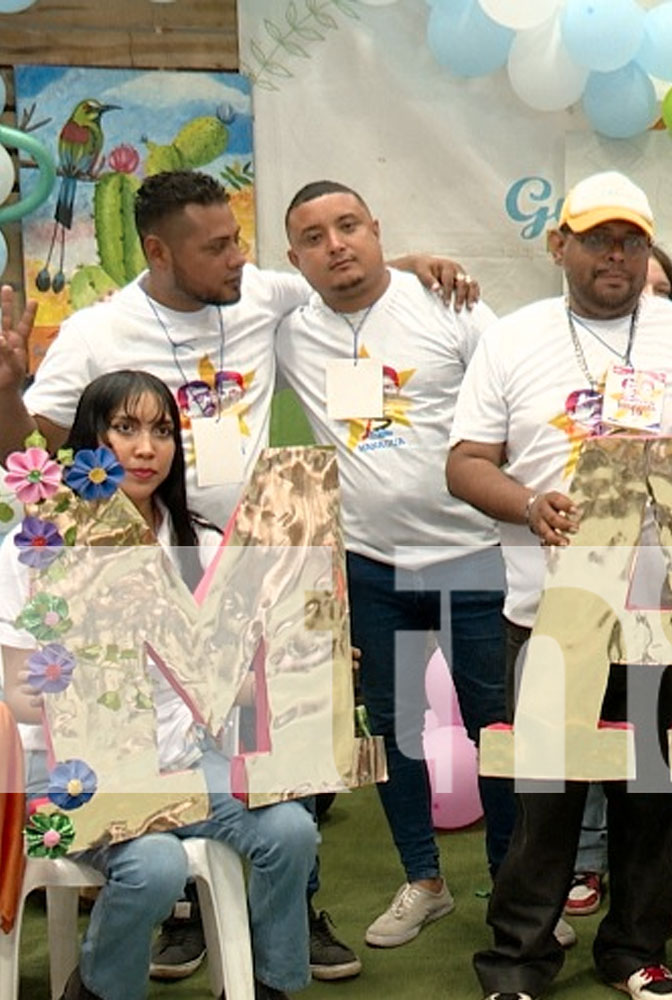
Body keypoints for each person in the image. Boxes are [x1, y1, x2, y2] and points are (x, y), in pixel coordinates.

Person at [0, 169, 474, 981]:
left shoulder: (258, 295)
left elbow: (347, 271)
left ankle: (284, 919)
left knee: (294, 743)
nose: (238, 259)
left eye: (240, 241)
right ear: (158, 251)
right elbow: (29, 449)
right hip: (127, 564)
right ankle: (181, 916)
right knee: (163, 753)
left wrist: (420, 263)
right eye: (216, 246)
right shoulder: (97, 333)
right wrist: (9, 384)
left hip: (244, 553)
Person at [448, 170, 672, 1000]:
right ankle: (517, 963)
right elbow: (465, 464)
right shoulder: (513, 340)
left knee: (654, 796)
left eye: (629, 239)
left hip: (667, 613)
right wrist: (527, 503)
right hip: (552, 612)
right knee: (547, 799)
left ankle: (634, 951)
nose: (614, 255)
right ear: (561, 245)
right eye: (596, 239)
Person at [1, 370, 321, 1000]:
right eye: (125, 429)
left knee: (292, 831)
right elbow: (14, 692)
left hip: (184, 762)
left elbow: (229, 686)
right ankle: (97, 990)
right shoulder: (32, 544)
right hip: (71, 769)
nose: (146, 448)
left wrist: (298, 666)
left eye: (162, 431)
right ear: (92, 439)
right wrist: (54, 689)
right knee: (155, 865)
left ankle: (270, 984)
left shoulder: (198, 543)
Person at [275, 180, 515, 948]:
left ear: (377, 229)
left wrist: (415, 268)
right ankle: (424, 880)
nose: (336, 244)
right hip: (372, 570)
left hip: (473, 558)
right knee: (396, 730)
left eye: (350, 226)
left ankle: (516, 889)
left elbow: (513, 406)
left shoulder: (451, 306)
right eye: (315, 237)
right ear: (295, 258)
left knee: (498, 732)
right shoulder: (288, 330)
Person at [567, 243, 672, 930]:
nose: (643, 296)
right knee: (566, 760)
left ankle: (657, 897)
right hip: (571, 597)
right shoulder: (555, 350)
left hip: (662, 600)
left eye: (659, 288)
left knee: (654, 764)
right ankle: (584, 865)